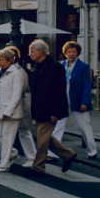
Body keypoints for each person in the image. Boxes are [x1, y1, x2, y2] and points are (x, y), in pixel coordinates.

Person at [0, 45, 39, 166]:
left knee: (23, 132)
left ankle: (31, 158)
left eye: (2, 58)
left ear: (12, 59)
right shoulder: (1, 71)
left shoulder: (19, 72)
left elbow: (19, 92)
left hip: (19, 107)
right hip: (6, 107)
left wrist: (9, 108)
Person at [27, 40, 78, 176]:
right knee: (43, 137)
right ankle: (68, 154)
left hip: (50, 109)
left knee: (42, 141)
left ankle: (38, 167)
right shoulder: (37, 65)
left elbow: (59, 92)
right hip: (40, 108)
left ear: (41, 52)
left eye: (32, 51)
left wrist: (55, 112)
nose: (29, 54)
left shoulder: (56, 67)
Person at [52, 42, 99, 160]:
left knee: (84, 127)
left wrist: (84, 102)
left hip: (78, 101)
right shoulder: (61, 65)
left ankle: (92, 151)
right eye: (69, 51)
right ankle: (52, 153)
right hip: (63, 100)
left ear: (77, 53)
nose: (71, 54)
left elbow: (87, 85)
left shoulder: (83, 66)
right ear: (65, 53)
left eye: (74, 52)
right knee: (58, 127)